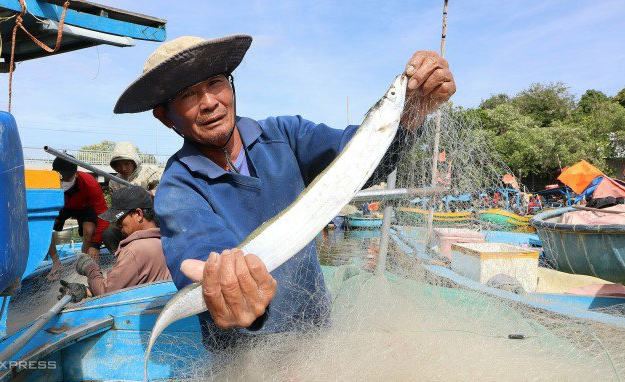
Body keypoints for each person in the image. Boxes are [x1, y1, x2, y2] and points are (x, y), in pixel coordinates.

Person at [113, 34, 455, 349]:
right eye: (188, 95)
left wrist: (409, 113)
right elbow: (200, 248)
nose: (209, 102)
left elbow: (359, 159)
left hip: (318, 334)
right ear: (165, 117)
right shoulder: (177, 187)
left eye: (215, 83)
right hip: (245, 356)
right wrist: (232, 289)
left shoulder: (286, 135)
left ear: (230, 86)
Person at [58, 186, 171, 302]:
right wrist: (86, 291)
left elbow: (106, 293)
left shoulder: (134, 251)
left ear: (138, 214)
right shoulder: (165, 241)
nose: (117, 224)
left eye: (120, 218)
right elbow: (139, 284)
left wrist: (90, 268)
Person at [48, 156, 109, 279]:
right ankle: (56, 263)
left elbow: (104, 217)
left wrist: (96, 245)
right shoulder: (48, 183)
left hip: (84, 207)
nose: (64, 181)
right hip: (62, 206)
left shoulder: (90, 184)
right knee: (45, 228)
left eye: (67, 178)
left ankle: (84, 261)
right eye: (61, 178)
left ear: (76, 174)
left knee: (89, 231)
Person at [102, 141, 163, 253]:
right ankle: (123, 258)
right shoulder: (114, 182)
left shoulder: (149, 173)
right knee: (108, 233)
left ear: (134, 162)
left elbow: (163, 192)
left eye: (126, 164)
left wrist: (153, 192)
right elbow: (115, 209)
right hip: (128, 219)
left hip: (150, 217)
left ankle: (156, 254)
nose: (123, 168)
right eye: (119, 165)